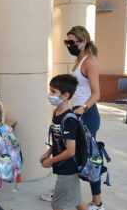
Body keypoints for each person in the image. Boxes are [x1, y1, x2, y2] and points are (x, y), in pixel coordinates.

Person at [41, 26, 103, 210]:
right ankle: (64, 189)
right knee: (67, 151)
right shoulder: (78, 60)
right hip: (74, 113)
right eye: (67, 42)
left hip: (86, 114)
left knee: (87, 158)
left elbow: (96, 93)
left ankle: (98, 202)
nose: (69, 45)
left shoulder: (90, 61)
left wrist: (83, 107)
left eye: (72, 42)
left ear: (84, 41)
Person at [40, 74, 87, 210]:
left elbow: (70, 151)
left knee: (57, 205)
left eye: (53, 91)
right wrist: (48, 152)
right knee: (77, 201)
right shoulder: (56, 113)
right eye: (50, 90)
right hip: (63, 167)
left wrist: (51, 161)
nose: (50, 94)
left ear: (65, 95)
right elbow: (58, 139)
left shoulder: (69, 120)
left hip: (69, 169)